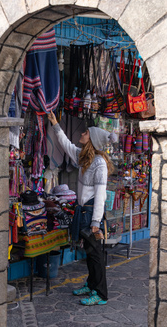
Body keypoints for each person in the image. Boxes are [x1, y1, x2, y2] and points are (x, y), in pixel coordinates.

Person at [47, 111, 116, 306]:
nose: (83, 133)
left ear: (91, 140)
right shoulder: (84, 157)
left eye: (86, 132)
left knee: (95, 255)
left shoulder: (99, 164)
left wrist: (96, 222)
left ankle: (100, 294)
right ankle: (91, 284)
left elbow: (100, 195)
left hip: (91, 212)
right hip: (84, 210)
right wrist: (55, 124)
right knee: (90, 253)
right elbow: (67, 145)